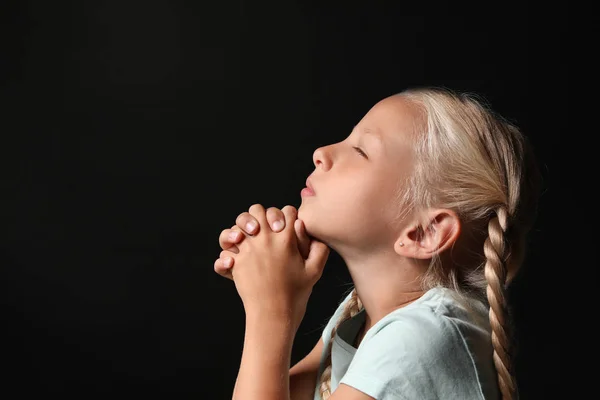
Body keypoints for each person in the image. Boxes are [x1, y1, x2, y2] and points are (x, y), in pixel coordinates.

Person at [214, 86, 542, 400]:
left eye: (360, 151)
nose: (321, 154)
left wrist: (270, 311)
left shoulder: (423, 336)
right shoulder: (361, 314)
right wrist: (275, 280)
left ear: (424, 233)